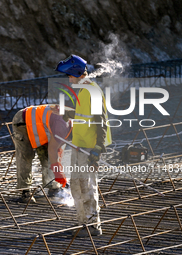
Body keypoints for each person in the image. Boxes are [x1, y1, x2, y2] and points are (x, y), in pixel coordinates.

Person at [55, 55, 112, 237]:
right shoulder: (83, 90)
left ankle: (93, 225)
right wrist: (69, 114)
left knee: (87, 185)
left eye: (70, 76)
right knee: (77, 186)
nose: (69, 80)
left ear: (78, 74)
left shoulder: (91, 91)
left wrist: (98, 149)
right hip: (79, 146)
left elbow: (100, 121)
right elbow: (85, 116)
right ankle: (84, 223)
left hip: (89, 148)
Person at [12, 104, 73, 202]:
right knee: (26, 156)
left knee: (48, 157)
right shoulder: (62, 127)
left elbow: (56, 153)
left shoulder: (77, 122)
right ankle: (25, 191)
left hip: (42, 127)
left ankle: (54, 188)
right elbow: (54, 151)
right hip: (23, 121)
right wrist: (59, 174)